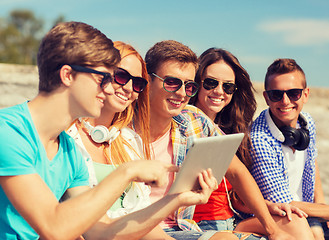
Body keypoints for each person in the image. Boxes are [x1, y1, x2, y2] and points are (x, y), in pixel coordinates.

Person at [0, 21, 189, 239]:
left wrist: (176, 200)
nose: (109, 89)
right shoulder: (8, 131)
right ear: (68, 75)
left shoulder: (69, 152)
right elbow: (53, 227)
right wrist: (127, 171)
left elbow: (102, 232)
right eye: (103, 79)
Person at [144, 40, 314, 240]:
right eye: (210, 83)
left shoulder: (200, 123)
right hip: (184, 227)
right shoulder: (128, 132)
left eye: (228, 87)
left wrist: (271, 223)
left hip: (209, 224)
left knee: (293, 224)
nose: (181, 92)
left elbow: (236, 176)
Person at [67, 41, 219, 240]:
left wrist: (179, 200)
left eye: (138, 84)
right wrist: (128, 172)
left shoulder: (129, 141)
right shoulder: (67, 139)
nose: (129, 88)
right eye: (121, 76)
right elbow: (97, 231)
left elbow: (142, 220)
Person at [250, 58, 329, 240]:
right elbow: (284, 205)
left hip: (307, 212)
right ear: (266, 97)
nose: (285, 101)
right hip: (280, 219)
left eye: (293, 93)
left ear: (306, 94)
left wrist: (321, 204)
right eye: (276, 94)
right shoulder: (259, 140)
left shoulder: (306, 122)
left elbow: (312, 160)